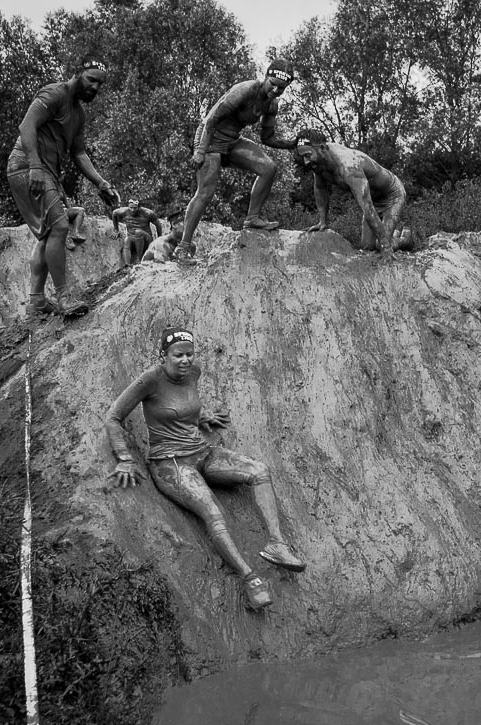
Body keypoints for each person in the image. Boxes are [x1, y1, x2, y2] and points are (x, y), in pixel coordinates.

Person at [105, 327, 306, 610]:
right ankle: (249, 578)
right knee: (214, 513)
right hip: (171, 463)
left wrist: (203, 415)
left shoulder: (194, 373)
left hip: (203, 452)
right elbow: (113, 417)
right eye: (178, 355)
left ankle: (277, 544)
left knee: (260, 471)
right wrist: (124, 457)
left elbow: (188, 404)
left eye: (189, 354)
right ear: (163, 356)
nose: (185, 360)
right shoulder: (149, 379)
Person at [7, 58, 120, 316]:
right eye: (91, 79)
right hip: (28, 166)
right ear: (77, 72)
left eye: (100, 84)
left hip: (46, 171)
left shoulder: (79, 114)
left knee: (48, 233)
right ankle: (64, 297)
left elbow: (79, 154)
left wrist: (101, 184)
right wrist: (35, 165)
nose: (95, 87)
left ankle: (36, 299)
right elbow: (27, 126)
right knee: (59, 226)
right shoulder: (55, 93)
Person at [177, 58, 299, 262]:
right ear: (266, 77)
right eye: (274, 85)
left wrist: (290, 144)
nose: (276, 91)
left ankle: (252, 219)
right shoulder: (246, 89)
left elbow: (266, 137)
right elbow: (212, 119)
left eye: (282, 89)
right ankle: (183, 248)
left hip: (232, 140)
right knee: (205, 192)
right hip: (210, 136)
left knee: (269, 168)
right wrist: (200, 150)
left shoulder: (272, 105)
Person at [296, 131, 407, 257]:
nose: (305, 162)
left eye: (308, 155)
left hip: (392, 196)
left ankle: (405, 238)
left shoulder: (349, 167)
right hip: (374, 200)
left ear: (321, 148)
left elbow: (367, 206)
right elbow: (320, 188)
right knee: (367, 246)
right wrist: (323, 221)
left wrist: (386, 247)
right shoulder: (319, 162)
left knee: (380, 244)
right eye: (303, 157)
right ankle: (395, 233)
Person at [111, 198, 163, 267]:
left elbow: (158, 225)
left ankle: (140, 260)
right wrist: (116, 230)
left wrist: (159, 239)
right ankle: (127, 265)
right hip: (133, 239)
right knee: (127, 240)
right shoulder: (124, 211)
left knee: (138, 232)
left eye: (135, 208)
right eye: (131, 208)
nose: (132, 210)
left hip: (146, 240)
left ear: (139, 207)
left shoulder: (147, 213)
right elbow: (114, 213)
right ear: (128, 206)